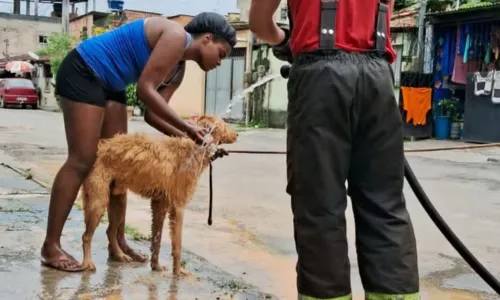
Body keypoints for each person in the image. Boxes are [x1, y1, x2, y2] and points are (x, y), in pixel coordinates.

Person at [249, 1, 419, 299]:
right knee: (385, 205)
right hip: (378, 79)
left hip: (320, 78)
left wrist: (284, 39)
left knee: (320, 206)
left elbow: (259, 22)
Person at [41, 12, 236, 272]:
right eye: (221, 54)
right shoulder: (176, 36)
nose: (220, 63)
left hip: (112, 84)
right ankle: (51, 246)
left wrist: (194, 140)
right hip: (84, 70)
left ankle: (116, 241)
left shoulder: (178, 68)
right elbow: (145, 90)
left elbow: (152, 114)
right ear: (207, 39)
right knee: (83, 159)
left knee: (120, 165)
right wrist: (185, 125)